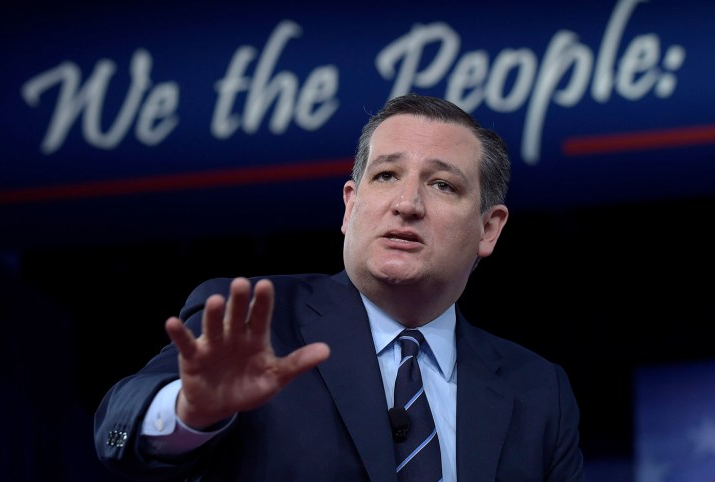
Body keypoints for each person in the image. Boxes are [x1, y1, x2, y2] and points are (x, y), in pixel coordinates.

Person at [94, 93, 585, 481]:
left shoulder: (539, 391)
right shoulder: (254, 320)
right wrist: (189, 412)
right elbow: (118, 427)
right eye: (387, 175)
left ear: (489, 228)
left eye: (442, 185)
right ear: (350, 207)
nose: (407, 203)